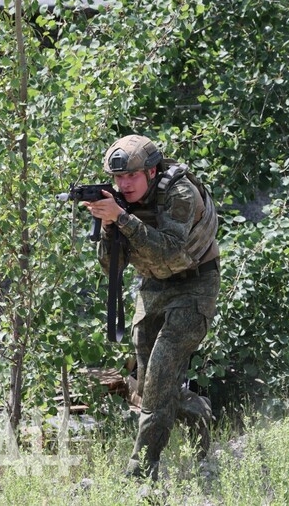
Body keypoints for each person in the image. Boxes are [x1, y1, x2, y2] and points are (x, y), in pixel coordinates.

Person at [83, 134, 219, 480]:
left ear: (152, 171)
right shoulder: (118, 202)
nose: (124, 184)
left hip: (194, 282)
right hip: (154, 284)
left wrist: (122, 219)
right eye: (119, 178)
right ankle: (196, 411)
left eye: (132, 176)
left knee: (160, 373)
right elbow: (110, 266)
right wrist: (108, 225)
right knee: (148, 387)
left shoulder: (180, 193)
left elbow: (171, 250)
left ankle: (141, 472)